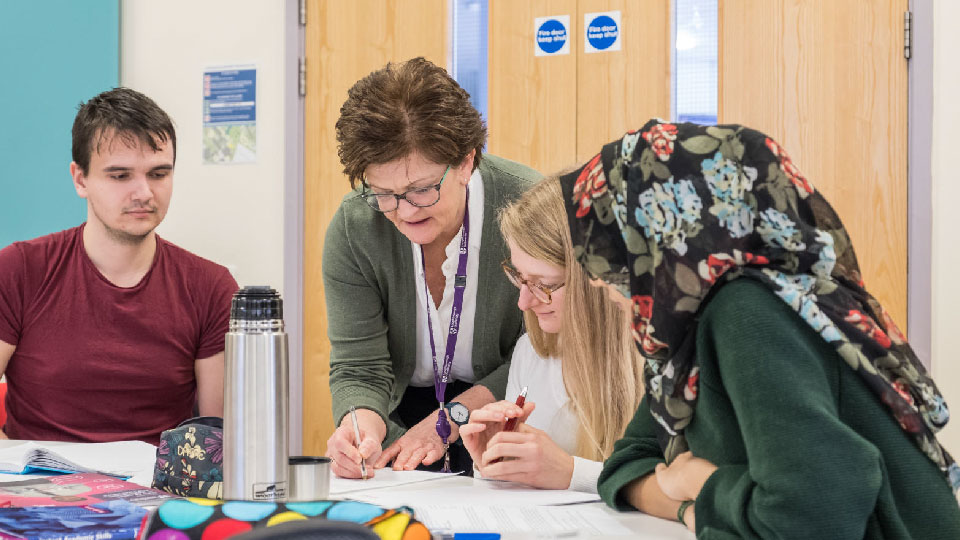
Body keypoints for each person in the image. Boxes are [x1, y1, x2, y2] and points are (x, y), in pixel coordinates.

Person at [560, 119, 960, 537]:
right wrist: (683, 504)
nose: (602, 283)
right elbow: (624, 468)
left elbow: (815, 514)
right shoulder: (687, 329)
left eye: (612, 253)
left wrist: (698, 483)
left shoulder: (748, 310)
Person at [323, 57, 541, 478]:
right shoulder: (356, 226)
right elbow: (359, 365)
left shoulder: (529, 205)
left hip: (508, 405)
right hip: (403, 419)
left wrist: (454, 417)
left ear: (465, 162)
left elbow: (544, 353)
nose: (403, 212)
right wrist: (359, 425)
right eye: (383, 193)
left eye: (421, 189)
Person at [0, 88, 238, 445]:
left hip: (158, 489)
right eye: (120, 175)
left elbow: (217, 441)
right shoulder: (19, 269)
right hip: (36, 488)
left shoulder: (211, 286)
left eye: (159, 174)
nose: (143, 192)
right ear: (80, 179)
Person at [459, 178, 643, 492]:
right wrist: (494, 464)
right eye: (520, 277)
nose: (524, 302)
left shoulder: (663, 363)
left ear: (596, 282)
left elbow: (681, 492)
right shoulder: (530, 352)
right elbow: (520, 496)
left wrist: (571, 473)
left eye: (543, 285)